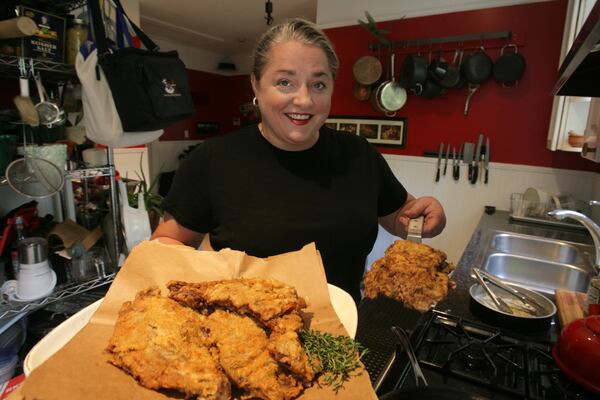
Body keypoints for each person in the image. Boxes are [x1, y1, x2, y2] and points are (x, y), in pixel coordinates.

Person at [151, 18, 446, 303]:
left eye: (318, 85)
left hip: (344, 335)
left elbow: (400, 217)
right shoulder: (211, 161)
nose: (304, 100)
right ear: (256, 85)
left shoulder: (359, 154)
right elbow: (167, 244)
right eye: (285, 82)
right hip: (250, 342)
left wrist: (423, 217)